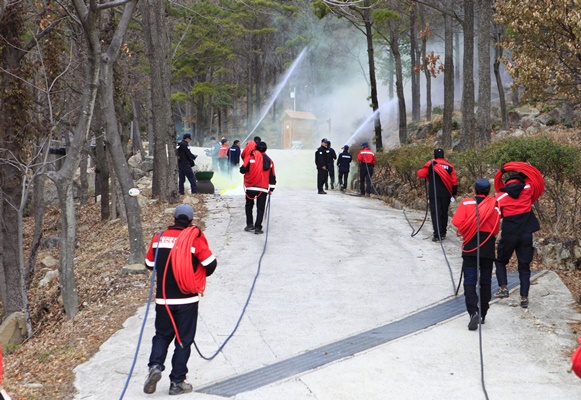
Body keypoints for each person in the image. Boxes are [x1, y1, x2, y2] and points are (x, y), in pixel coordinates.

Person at [143, 204, 217, 395]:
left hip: (164, 300)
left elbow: (149, 263)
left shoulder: (158, 238)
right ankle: (177, 382)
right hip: (186, 300)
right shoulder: (194, 239)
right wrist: (195, 271)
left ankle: (155, 367)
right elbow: (210, 264)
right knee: (183, 341)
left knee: (162, 335)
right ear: (190, 221)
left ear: (174, 218)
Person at [493, 163, 544, 308]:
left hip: (509, 234)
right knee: (524, 266)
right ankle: (524, 298)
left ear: (506, 183)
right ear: (520, 182)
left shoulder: (500, 197)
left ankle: (503, 288)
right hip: (526, 235)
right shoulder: (528, 190)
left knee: (501, 261)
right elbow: (532, 179)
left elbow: (497, 213)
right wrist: (524, 169)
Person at [451, 179, 501, 330]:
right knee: (485, 281)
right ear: (489, 191)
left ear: (474, 190)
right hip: (487, 247)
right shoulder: (495, 205)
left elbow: (456, 221)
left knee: (470, 280)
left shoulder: (466, 203)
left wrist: (469, 228)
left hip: (471, 246)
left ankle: (473, 312)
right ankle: (483, 313)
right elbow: (496, 229)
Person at [417, 148, 458, 241]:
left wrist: (427, 166)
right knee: (444, 213)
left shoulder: (431, 164)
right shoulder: (450, 166)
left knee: (436, 213)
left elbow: (420, 174)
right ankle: (443, 233)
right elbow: (454, 182)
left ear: (434, 155)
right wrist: (454, 194)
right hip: (446, 194)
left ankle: (437, 235)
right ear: (443, 155)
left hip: (434, 193)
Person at [240, 141, 276, 234]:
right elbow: (272, 176)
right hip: (263, 188)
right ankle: (258, 228)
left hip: (250, 187)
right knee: (260, 208)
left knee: (249, 206)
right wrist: (271, 189)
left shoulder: (251, 158)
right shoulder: (269, 160)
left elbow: (242, 170)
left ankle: (249, 224)